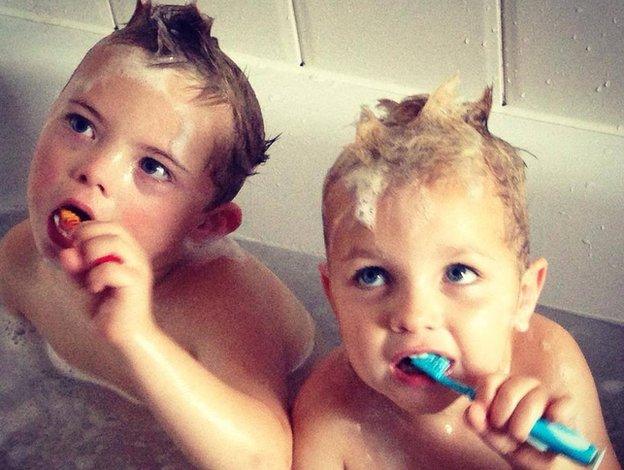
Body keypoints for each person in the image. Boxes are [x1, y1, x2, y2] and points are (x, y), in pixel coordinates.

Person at [0, 1, 314, 468]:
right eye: (82, 124)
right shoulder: (21, 256)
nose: (94, 169)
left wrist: (139, 337)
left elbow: (265, 459)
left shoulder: (223, 306)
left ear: (205, 226)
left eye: (152, 167)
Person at [292, 77, 619, 469]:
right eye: (372, 276)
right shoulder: (329, 413)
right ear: (332, 296)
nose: (413, 316)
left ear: (523, 295)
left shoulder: (550, 365)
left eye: (459, 272)